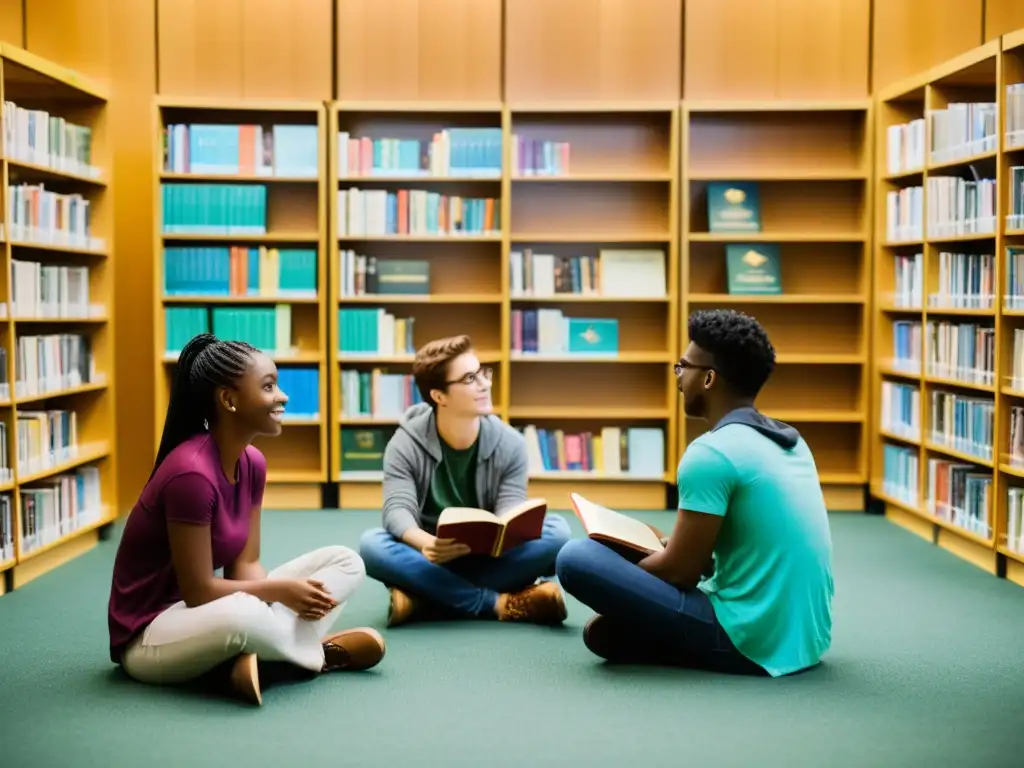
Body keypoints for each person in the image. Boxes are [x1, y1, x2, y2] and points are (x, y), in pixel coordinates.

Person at [107, 333, 385, 706]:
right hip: (150, 635)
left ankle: (258, 659)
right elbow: (199, 591)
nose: (283, 396)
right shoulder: (191, 475)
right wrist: (280, 593)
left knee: (345, 562)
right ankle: (315, 656)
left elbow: (246, 565)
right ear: (228, 399)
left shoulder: (252, 462)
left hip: (208, 614)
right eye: (269, 387)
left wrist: (280, 597)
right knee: (243, 615)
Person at [555, 309, 834, 678]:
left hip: (750, 639)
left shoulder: (711, 453)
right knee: (615, 608)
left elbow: (681, 571)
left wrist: (627, 581)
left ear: (708, 378)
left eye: (683, 366)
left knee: (576, 557)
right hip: (807, 638)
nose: (678, 377)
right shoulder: (790, 440)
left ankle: (671, 636)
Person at [359, 334, 571, 626]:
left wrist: (509, 530)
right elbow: (397, 509)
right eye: (470, 378)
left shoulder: (511, 443)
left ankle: (425, 597)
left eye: (483, 372)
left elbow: (510, 509)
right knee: (372, 545)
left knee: (558, 532)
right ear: (439, 396)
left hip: (490, 556)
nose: (485, 384)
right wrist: (426, 544)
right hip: (431, 555)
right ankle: (494, 602)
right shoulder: (404, 443)